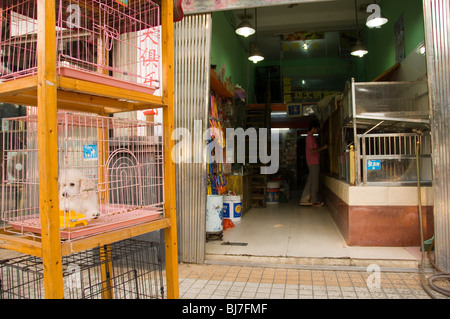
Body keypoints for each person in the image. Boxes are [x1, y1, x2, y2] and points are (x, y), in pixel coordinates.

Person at [300, 120, 328, 207]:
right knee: (315, 181)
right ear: (313, 128)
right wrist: (323, 148)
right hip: (313, 161)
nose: (317, 131)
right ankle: (314, 200)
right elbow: (312, 151)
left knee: (311, 180)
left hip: (313, 161)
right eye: (317, 129)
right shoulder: (309, 138)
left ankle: (304, 199)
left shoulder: (311, 137)